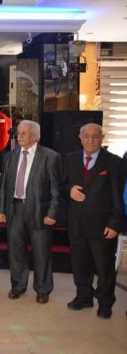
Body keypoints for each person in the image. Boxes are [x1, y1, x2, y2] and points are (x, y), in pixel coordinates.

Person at [0, 120, 62, 304]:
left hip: (39, 211)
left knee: (41, 252)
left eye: (23, 133)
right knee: (15, 250)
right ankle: (18, 285)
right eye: (18, 133)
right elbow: (4, 186)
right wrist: (1, 209)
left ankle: (43, 289)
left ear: (35, 136)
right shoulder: (9, 156)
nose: (19, 136)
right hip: (15, 209)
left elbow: (56, 189)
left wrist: (52, 213)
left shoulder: (50, 157)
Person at [63, 124, 124, 319]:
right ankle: (84, 297)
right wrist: (69, 189)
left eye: (95, 136)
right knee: (80, 265)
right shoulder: (70, 158)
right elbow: (61, 183)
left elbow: (118, 196)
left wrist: (114, 224)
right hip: (76, 224)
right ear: (80, 138)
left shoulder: (114, 162)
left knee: (104, 268)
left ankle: (105, 303)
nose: (90, 140)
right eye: (86, 136)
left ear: (102, 137)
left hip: (102, 226)